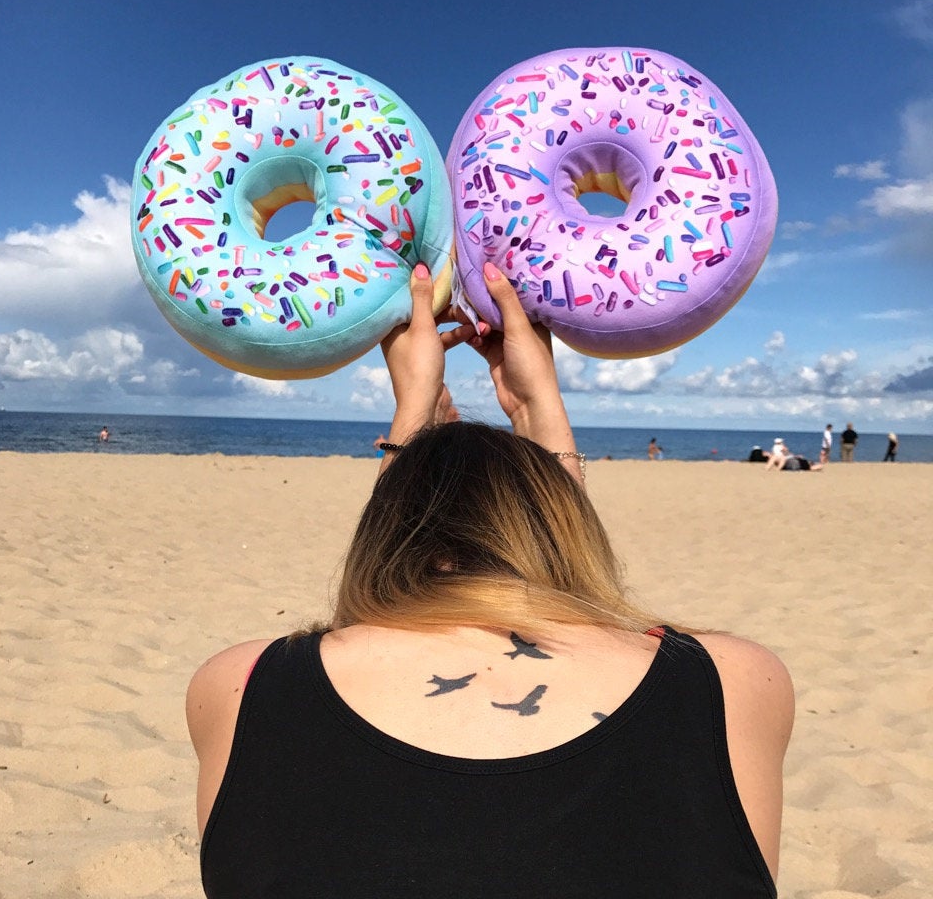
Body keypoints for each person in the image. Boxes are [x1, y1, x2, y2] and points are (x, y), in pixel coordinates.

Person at [187, 262, 793, 898]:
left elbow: (350, 662)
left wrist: (413, 418)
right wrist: (539, 410)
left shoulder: (240, 686)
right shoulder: (734, 681)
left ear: (393, 531)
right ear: (557, 522)